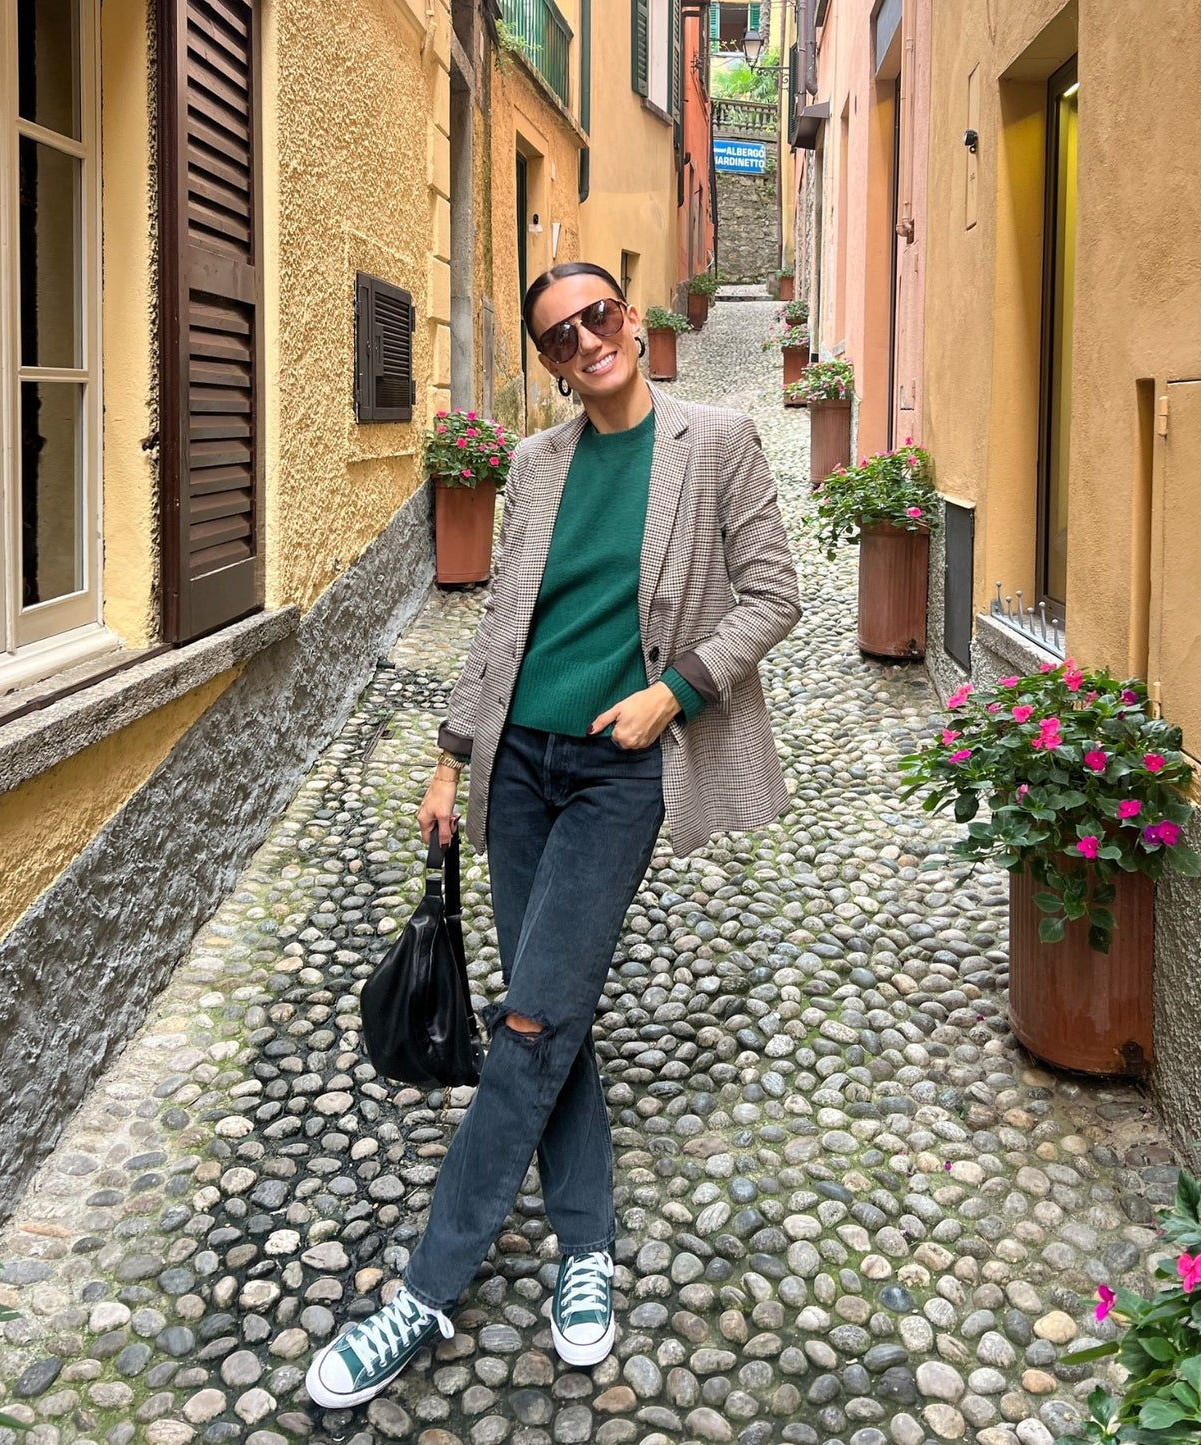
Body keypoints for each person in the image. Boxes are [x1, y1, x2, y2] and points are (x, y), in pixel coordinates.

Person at [306, 261, 801, 1409]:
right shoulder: (535, 463)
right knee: (549, 1005)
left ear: (629, 317)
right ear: (546, 362)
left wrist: (675, 688)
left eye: (599, 317)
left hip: (622, 766)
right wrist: (450, 754)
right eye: (559, 336)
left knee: (528, 1017)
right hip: (519, 767)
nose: (586, 342)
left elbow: (773, 595)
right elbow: (500, 622)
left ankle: (422, 1292)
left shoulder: (714, 441)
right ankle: (585, 1245)